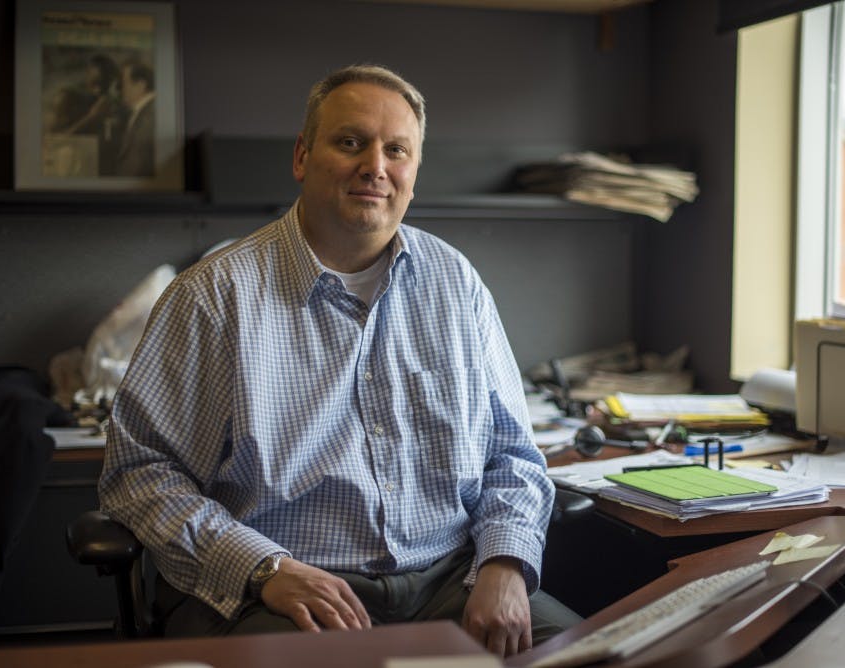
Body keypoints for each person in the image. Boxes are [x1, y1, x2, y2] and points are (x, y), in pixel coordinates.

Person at [98, 63, 580, 657]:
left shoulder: (456, 284)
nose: (374, 166)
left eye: (396, 150)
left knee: (597, 654)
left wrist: (505, 563)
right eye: (350, 142)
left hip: (451, 582)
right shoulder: (213, 297)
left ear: (413, 171)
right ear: (302, 157)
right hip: (278, 593)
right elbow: (138, 473)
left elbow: (512, 454)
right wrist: (264, 568)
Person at [115, 59, 155, 177]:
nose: (119, 89)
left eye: (123, 83)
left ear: (140, 85)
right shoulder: (144, 111)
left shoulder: (151, 115)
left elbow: (139, 163)